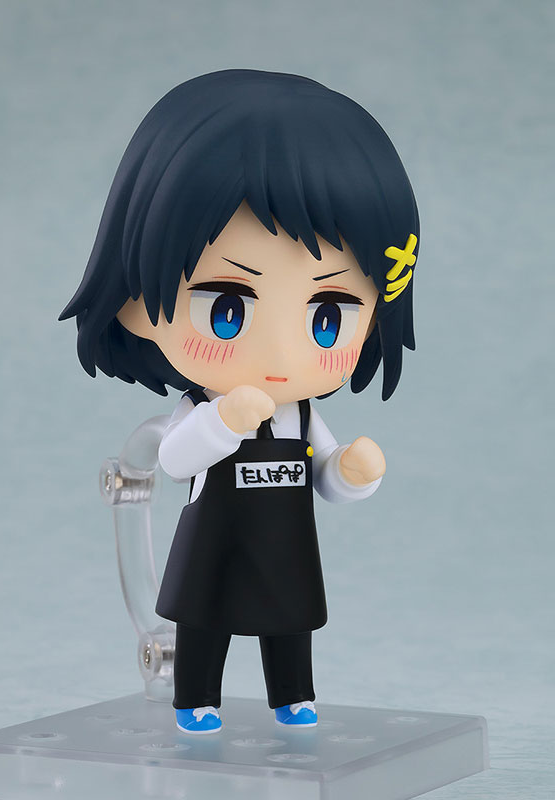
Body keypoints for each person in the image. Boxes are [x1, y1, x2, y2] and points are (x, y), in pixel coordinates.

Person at [60, 69, 420, 734]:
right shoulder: (202, 409)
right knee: (205, 621)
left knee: (290, 622)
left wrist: (351, 473)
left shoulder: (303, 415)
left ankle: (293, 695)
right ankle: (196, 697)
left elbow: (326, 480)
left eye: (328, 317)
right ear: (136, 304)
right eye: (227, 308)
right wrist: (221, 423)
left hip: (288, 548)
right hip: (214, 546)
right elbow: (175, 460)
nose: (281, 353)